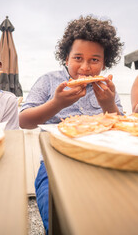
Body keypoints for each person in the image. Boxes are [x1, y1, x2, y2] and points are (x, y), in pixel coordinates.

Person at [19, 15, 124, 233]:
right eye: (78, 58)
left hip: (103, 161)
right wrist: (56, 103)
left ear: (105, 63)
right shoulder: (49, 80)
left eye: (94, 60)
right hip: (55, 163)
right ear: (66, 58)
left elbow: (123, 129)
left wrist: (109, 105)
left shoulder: (107, 88)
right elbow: (24, 120)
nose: (85, 67)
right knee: (60, 219)